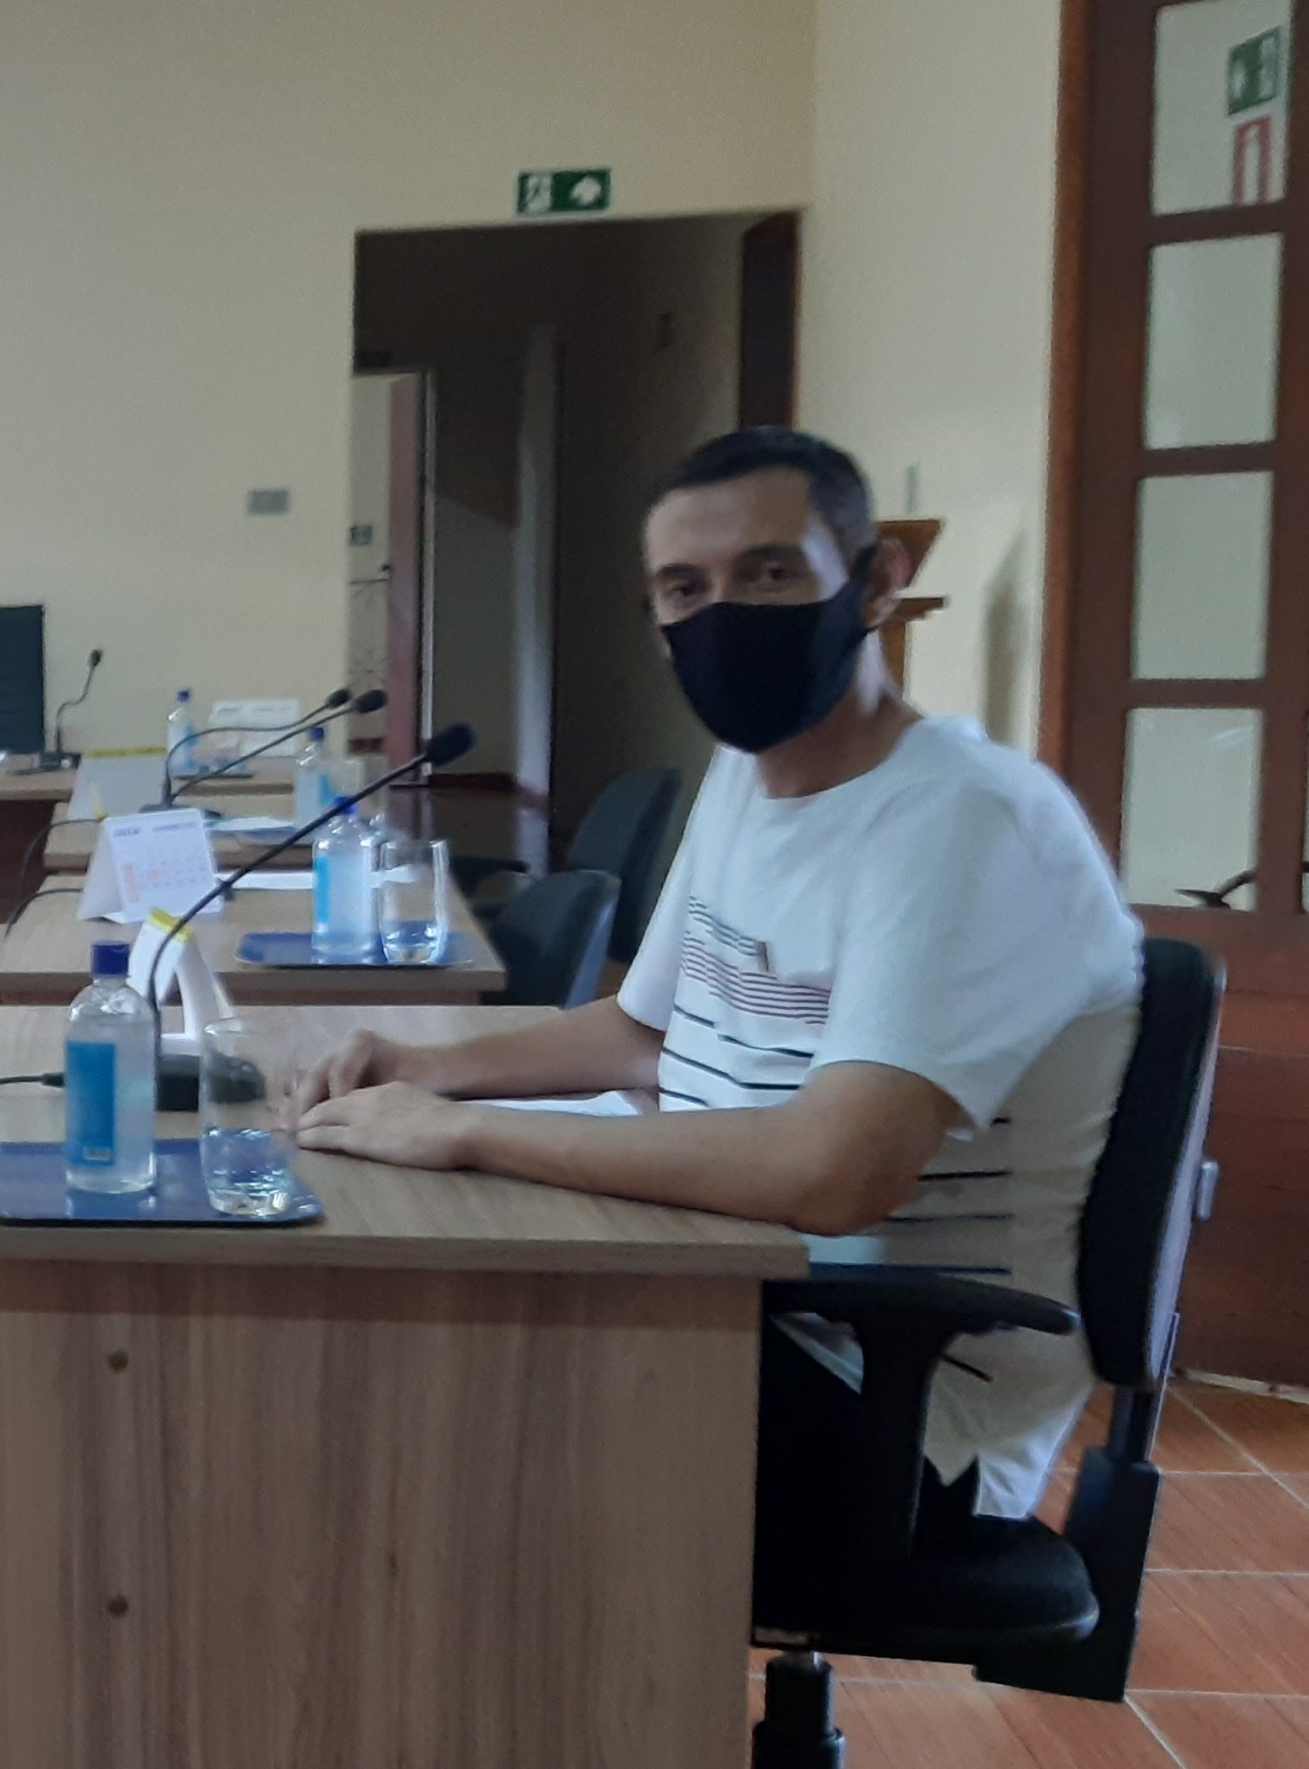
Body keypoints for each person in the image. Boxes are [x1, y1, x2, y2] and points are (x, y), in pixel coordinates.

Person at [286, 424, 1141, 1539]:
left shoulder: (964, 820)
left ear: (876, 582)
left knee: (389, 1403)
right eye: (684, 589)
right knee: (354, 1323)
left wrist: (467, 1132)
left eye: (769, 573)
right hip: (727, 1288)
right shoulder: (747, 776)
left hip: (884, 1396)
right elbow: (648, 1031)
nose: (723, 615)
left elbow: (832, 1173)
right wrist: (431, 1068)